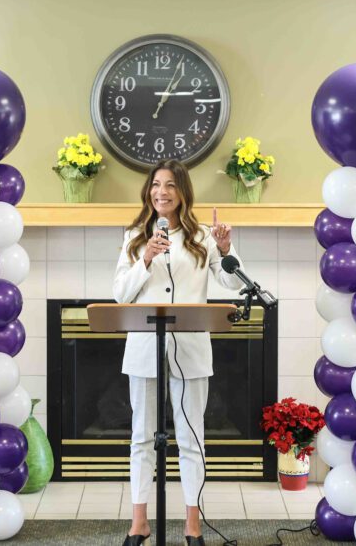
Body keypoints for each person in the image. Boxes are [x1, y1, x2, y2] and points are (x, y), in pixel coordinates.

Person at [113, 159, 245, 546]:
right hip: (143, 348)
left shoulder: (203, 236)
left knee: (191, 437)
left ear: (183, 191)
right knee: (141, 436)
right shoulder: (134, 236)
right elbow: (120, 293)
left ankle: (192, 524)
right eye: (156, 185)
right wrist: (146, 259)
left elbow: (232, 283)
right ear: (148, 190)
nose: (162, 192)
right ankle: (139, 522)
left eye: (170, 185)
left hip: (190, 348)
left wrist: (226, 247)